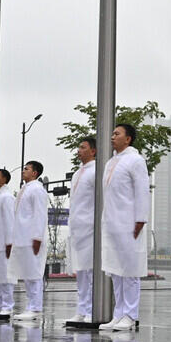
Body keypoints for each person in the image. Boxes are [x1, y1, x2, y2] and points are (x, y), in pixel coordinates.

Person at [99, 123, 150, 331]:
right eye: (112, 133)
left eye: (117, 134)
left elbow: (142, 190)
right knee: (115, 269)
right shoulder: (111, 162)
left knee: (130, 269)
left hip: (129, 223)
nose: (112, 137)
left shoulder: (136, 160)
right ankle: (118, 314)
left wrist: (140, 219)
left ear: (128, 139)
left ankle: (130, 314)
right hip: (111, 222)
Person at [11, 160, 49, 320]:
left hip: (32, 238)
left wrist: (37, 237)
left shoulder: (37, 190)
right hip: (22, 237)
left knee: (34, 273)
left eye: (26, 169)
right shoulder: (25, 189)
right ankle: (31, 306)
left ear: (35, 173)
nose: (23, 171)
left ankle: (35, 308)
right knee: (27, 273)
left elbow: (40, 214)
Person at [68, 137, 98, 322]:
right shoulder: (77, 173)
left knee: (91, 269)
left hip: (90, 225)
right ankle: (82, 308)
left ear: (93, 151)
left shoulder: (96, 171)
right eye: (78, 147)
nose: (78, 150)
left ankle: (92, 309)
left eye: (83, 147)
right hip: (77, 226)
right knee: (81, 269)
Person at [0, 168, 16, 315]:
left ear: (4, 179)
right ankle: (0, 304)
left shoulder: (7, 197)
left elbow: (10, 221)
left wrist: (9, 242)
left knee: (6, 274)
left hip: (4, 243)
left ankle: (7, 305)